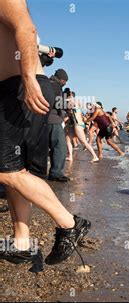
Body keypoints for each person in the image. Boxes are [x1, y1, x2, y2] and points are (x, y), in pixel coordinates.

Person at [0, 0, 91, 268]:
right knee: (14, 170)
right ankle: (21, 243)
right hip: (10, 88)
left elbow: (26, 29)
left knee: (5, 170)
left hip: (22, 85)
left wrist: (28, 78)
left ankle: (69, 224)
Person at [47, 68, 70, 182]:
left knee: (47, 147)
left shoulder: (48, 83)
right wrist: (68, 103)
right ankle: (56, 173)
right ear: (62, 79)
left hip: (46, 119)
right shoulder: (54, 85)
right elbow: (57, 102)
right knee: (60, 147)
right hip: (53, 120)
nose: (65, 83)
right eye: (65, 80)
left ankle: (40, 172)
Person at [65, 92, 99, 163]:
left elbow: (68, 105)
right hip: (76, 125)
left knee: (84, 142)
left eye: (68, 97)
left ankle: (95, 156)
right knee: (68, 139)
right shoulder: (75, 103)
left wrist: (66, 99)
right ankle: (70, 156)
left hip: (78, 125)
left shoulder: (74, 102)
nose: (67, 98)